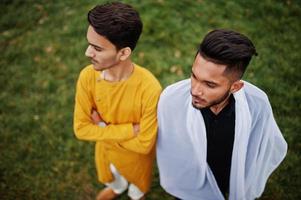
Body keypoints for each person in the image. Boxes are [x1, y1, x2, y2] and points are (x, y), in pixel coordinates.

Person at [156, 29, 287, 200]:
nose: (195, 90)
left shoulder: (257, 105)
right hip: (190, 179)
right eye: (194, 76)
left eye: (210, 85)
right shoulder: (172, 98)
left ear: (235, 87)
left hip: (229, 176)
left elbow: (263, 146)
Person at [73, 2, 161, 200]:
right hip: (106, 152)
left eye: (97, 48)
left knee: (138, 186)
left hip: (136, 159)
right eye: (89, 44)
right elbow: (80, 129)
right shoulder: (87, 77)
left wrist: (101, 128)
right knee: (112, 175)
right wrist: (131, 130)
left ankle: (136, 194)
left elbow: (145, 145)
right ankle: (117, 187)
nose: (88, 53)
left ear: (123, 53)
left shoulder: (149, 89)